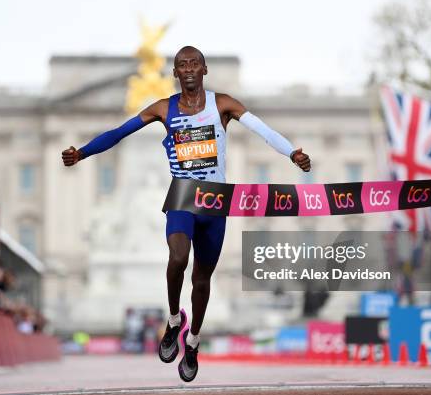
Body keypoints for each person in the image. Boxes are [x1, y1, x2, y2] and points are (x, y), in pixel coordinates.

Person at [62, 46, 311, 381]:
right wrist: (82, 153)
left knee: (202, 280)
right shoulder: (164, 109)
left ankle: (192, 341)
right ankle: (173, 319)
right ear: (176, 73)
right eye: (182, 65)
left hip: (215, 202)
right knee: (178, 258)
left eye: (195, 63)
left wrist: (291, 152)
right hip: (183, 196)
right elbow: (118, 133)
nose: (189, 68)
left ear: (204, 69)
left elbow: (262, 129)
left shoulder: (222, 103)